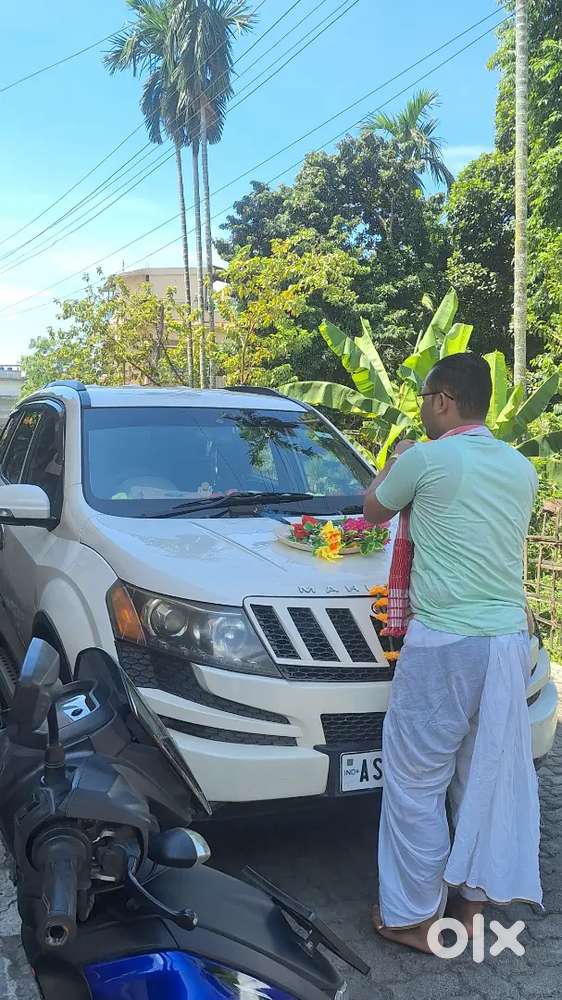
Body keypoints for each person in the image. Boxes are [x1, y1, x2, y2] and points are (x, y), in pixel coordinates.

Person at [364, 352, 542, 954]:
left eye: (423, 399)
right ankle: (471, 909)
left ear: (442, 401)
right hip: (507, 641)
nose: (420, 409)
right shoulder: (521, 468)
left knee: (416, 780)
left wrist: (392, 465)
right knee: (485, 773)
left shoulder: (427, 458)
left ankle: (413, 917)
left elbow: (373, 511)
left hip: (443, 642)